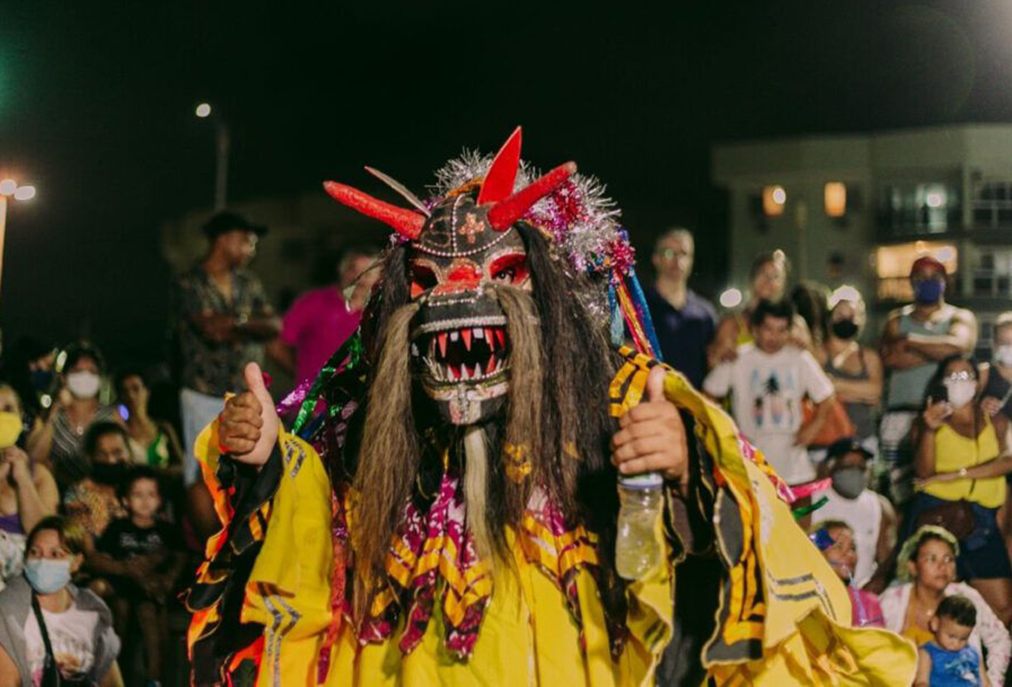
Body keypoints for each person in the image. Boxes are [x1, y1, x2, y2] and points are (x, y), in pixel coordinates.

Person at [186, 135, 915, 685]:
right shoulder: (380, 410)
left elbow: (717, 525)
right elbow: (318, 530)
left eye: (500, 273)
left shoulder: (612, 396)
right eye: (428, 280)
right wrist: (268, 454)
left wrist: (681, 456)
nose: (456, 297)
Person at [173, 210, 279, 537]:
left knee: (248, 465)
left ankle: (241, 538)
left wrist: (233, 323)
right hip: (202, 393)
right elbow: (210, 329)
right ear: (224, 239)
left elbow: (273, 325)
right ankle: (209, 549)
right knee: (201, 473)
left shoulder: (249, 282)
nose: (252, 248)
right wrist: (248, 324)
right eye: (247, 241)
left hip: (243, 394)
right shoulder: (189, 281)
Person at [910, 355, 1012, 624]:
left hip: (982, 521)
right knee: (933, 595)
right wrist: (930, 430)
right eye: (951, 376)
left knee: (1002, 606)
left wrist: (956, 475)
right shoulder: (930, 419)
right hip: (939, 517)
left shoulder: (995, 418)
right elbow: (923, 473)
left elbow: (1007, 462)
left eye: (965, 376)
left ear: (978, 383)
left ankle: (984, 657)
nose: (959, 383)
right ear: (941, 382)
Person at [703, 299, 836, 485]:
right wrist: (725, 432)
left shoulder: (799, 358)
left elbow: (827, 396)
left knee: (800, 512)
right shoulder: (738, 358)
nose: (774, 336)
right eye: (768, 329)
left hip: (795, 466)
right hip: (752, 464)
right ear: (755, 329)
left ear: (790, 330)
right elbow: (709, 394)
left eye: (781, 330)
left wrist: (813, 428)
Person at [879, 256, 977, 491]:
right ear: (911, 282)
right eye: (921, 277)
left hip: (944, 415)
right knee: (899, 489)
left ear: (945, 281)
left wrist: (910, 340)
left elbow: (959, 346)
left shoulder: (959, 316)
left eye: (935, 277)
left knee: (935, 484)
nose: (928, 282)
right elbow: (892, 358)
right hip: (900, 415)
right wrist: (940, 351)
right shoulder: (896, 319)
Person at [0, 516, 123, 686]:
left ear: (76, 562)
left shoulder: (92, 615)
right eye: (35, 552)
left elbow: (111, 681)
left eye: (55, 554)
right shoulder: (8, 612)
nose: (43, 561)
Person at [880, 526, 1010, 687]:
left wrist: (993, 681)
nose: (942, 566)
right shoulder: (892, 601)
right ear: (912, 566)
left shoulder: (966, 597)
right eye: (931, 559)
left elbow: (1000, 639)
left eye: (949, 559)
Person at [90, 467, 184, 686]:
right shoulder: (118, 528)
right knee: (120, 612)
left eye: (151, 494)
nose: (145, 501)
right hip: (122, 585)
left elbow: (179, 559)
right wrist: (123, 567)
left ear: (161, 499)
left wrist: (166, 579)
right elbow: (99, 558)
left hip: (151, 591)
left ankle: (155, 678)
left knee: (148, 613)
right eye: (137, 495)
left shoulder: (167, 530)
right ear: (124, 499)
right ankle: (117, 674)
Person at [268, 241, 381, 387]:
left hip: (359, 405)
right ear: (341, 270)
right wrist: (303, 376)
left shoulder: (381, 313)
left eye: (367, 273)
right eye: (352, 269)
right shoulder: (312, 302)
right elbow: (276, 344)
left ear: (378, 277)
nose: (359, 279)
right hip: (310, 405)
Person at [26, 343, 120, 492]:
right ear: (64, 377)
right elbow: (35, 458)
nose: (85, 376)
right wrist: (55, 410)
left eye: (92, 371)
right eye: (78, 371)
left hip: (103, 497)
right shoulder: (49, 415)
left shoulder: (111, 415)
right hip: (57, 495)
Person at [816, 438, 896, 592]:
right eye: (848, 466)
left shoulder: (880, 507)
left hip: (862, 595)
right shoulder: (810, 502)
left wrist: (873, 587)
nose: (855, 472)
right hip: (819, 591)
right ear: (830, 467)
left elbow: (887, 561)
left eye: (861, 467)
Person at [707, 250, 811, 366]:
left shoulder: (796, 325)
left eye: (775, 276)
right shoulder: (731, 324)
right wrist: (721, 356)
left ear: (783, 284)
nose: (768, 281)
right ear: (752, 278)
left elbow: (813, 367)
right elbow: (714, 366)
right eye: (763, 274)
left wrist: (802, 345)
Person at [642, 228, 717, 389]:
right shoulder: (639, 307)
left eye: (683, 253)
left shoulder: (705, 313)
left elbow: (713, 363)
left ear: (691, 260)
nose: (677, 260)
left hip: (694, 407)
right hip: (652, 404)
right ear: (655, 259)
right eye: (669, 253)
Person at [0, 386, 59, 584]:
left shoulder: (39, 475)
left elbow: (45, 535)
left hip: (25, 576)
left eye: (8, 409)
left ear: (20, 417)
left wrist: (23, 479)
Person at [816, 288, 883, 452]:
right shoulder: (818, 354)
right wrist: (861, 394)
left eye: (851, 315)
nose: (845, 319)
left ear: (861, 319)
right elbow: (814, 392)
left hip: (863, 442)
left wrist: (835, 384)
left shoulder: (868, 357)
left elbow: (875, 392)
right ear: (829, 317)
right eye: (839, 314)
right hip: (824, 443)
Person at [62, 422, 129, 544]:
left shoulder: (141, 485)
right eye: (102, 454)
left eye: (117, 452)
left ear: (128, 452)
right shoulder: (78, 494)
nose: (111, 460)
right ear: (90, 457)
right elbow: (84, 544)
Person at [808, 521, 884, 627]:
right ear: (816, 553)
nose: (849, 554)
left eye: (852, 548)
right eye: (839, 546)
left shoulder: (868, 604)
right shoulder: (804, 600)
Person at [115, 369, 183, 473]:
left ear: (147, 392)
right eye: (125, 391)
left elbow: (180, 465)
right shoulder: (119, 433)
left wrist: (161, 473)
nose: (131, 395)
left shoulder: (163, 428)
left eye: (136, 389)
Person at [915, 595, 990, 687]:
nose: (956, 643)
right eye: (951, 636)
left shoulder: (973, 653)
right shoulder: (926, 653)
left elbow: (986, 683)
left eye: (963, 638)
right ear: (935, 624)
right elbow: (921, 683)